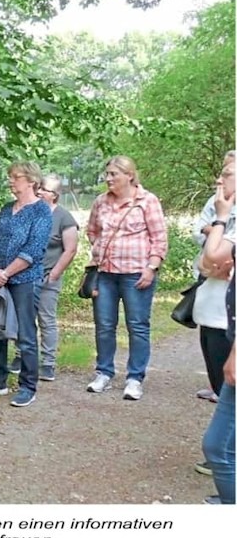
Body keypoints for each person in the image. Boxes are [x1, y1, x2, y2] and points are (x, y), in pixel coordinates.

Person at [85, 156, 168, 400]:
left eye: (114, 174)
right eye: (107, 174)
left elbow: (159, 238)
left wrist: (151, 268)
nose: (108, 179)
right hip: (105, 274)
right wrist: (100, 248)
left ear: (129, 175)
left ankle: (135, 378)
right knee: (104, 325)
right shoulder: (101, 202)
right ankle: (104, 372)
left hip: (136, 274)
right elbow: (92, 230)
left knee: (138, 326)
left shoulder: (147, 201)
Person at [0, 162, 52, 407]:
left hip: (24, 281)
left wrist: (6, 273)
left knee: (26, 334)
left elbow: (34, 249)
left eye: (15, 177)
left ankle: (28, 386)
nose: (11, 181)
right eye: (10, 177)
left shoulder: (41, 211)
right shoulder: (7, 209)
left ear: (31, 181)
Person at [8, 173, 78, 382]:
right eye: (39, 188)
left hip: (48, 277)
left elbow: (70, 249)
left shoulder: (64, 218)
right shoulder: (32, 212)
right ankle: (21, 356)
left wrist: (55, 273)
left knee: (46, 319)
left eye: (44, 189)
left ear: (54, 195)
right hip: (25, 275)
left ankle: (48, 363)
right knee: (23, 317)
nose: (39, 192)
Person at [192, 153, 235, 476]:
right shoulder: (218, 205)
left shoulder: (225, 214)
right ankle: (226, 457)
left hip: (227, 319)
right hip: (209, 311)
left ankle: (226, 460)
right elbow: (206, 263)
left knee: (229, 394)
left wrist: (217, 224)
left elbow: (213, 253)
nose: (219, 181)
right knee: (221, 390)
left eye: (228, 174)